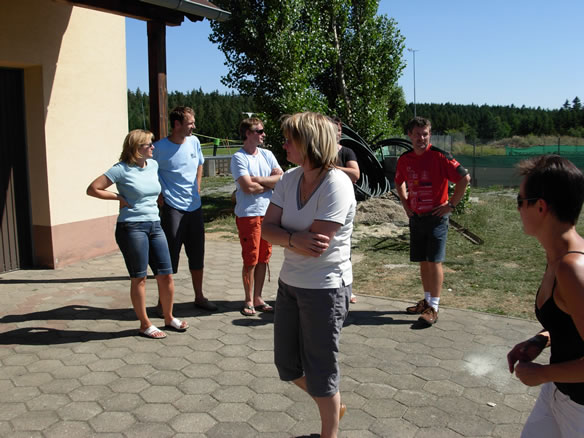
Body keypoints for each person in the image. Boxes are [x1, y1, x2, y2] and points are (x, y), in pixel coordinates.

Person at [262, 111, 356, 438]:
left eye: (290, 139)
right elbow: (266, 229)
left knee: (321, 370)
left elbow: (316, 245)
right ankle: (332, 407)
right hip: (289, 284)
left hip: (325, 289)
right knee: (287, 365)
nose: (284, 144)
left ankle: (329, 430)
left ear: (310, 143)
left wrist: (284, 236)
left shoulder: (336, 184)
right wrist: (292, 239)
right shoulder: (289, 178)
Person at [507, 155, 584, 437]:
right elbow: (572, 324)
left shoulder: (572, 268)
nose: (518, 209)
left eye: (520, 201)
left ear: (540, 207)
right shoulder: (557, 256)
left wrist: (542, 374)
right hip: (557, 393)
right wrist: (541, 339)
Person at [87, 129, 189, 339]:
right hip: (132, 227)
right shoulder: (121, 169)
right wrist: (118, 198)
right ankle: (145, 324)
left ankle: (169, 317)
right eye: (149, 144)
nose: (153, 147)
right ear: (136, 148)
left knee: (166, 274)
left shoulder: (153, 165)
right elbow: (93, 189)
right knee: (139, 277)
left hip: (155, 225)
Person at [395, 116, 470, 326]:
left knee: (435, 261)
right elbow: (399, 181)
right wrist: (405, 204)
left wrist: (451, 205)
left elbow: (464, 178)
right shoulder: (405, 159)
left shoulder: (440, 156)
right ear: (410, 135)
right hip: (417, 218)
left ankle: (434, 307)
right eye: (418, 134)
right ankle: (426, 301)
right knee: (423, 260)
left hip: (436, 218)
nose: (422, 138)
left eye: (425, 134)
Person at [153, 106, 217, 313]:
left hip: (194, 207)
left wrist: (197, 185)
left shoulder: (194, 142)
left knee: (197, 254)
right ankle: (163, 303)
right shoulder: (159, 148)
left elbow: (199, 163)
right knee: (169, 256)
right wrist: (158, 195)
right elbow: (148, 170)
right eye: (190, 123)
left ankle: (199, 296)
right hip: (172, 208)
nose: (194, 127)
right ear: (177, 124)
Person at [231, 117, 283, 316]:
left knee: (264, 257)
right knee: (250, 258)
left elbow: (281, 179)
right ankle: (248, 299)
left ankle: (258, 297)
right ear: (248, 133)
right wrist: (270, 183)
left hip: (268, 213)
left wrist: (259, 180)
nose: (263, 134)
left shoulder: (267, 154)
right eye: (259, 131)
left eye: (262, 131)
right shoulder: (239, 158)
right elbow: (247, 188)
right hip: (249, 215)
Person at [330, 116, 360, 304]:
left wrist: (331, 168)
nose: (338, 133)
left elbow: (355, 174)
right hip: (324, 204)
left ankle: (347, 287)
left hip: (344, 205)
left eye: (340, 130)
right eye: (335, 129)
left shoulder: (347, 152)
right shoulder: (318, 152)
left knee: (343, 246)